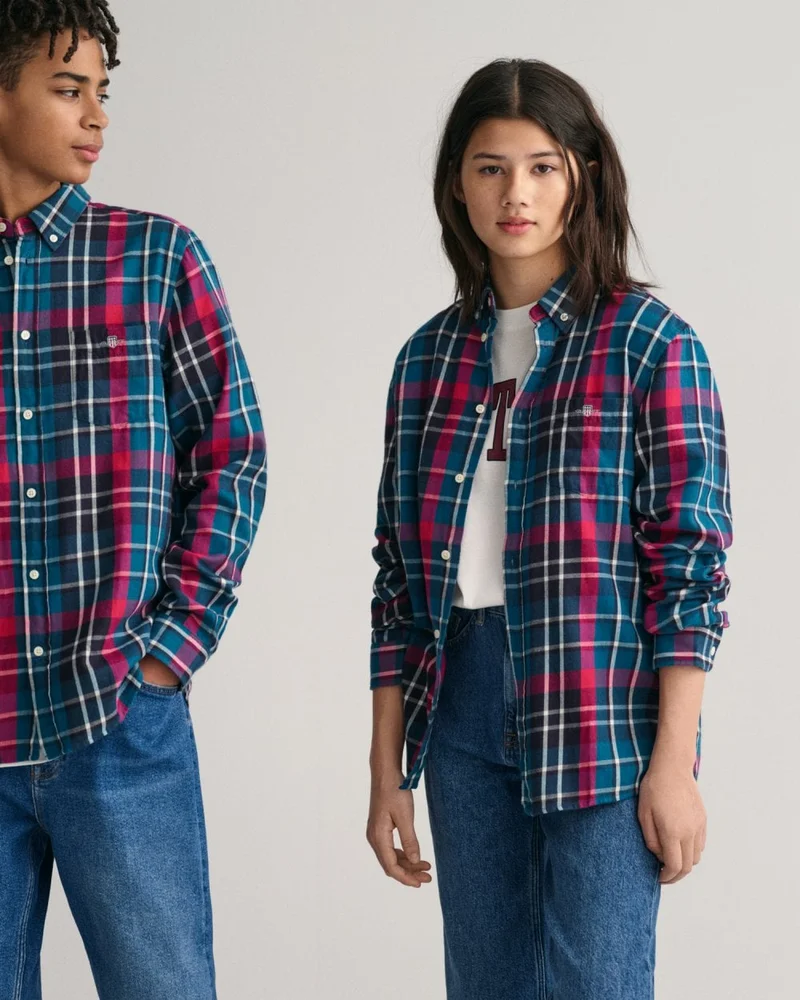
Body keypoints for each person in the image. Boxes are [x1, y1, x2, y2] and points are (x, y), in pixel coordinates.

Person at [366, 58, 732, 1000]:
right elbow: (398, 581)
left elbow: (690, 567)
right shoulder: (426, 362)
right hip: (460, 711)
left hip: (602, 712)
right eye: (490, 168)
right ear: (458, 183)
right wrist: (386, 770)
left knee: (599, 984)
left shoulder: (650, 344)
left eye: (541, 167)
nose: (515, 194)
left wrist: (675, 761)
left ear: (583, 177)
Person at [0, 4, 267, 998]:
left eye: (101, 92)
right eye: (68, 89)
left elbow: (232, 456)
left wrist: (168, 649)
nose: (96, 116)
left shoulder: (156, 261)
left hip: (114, 712)